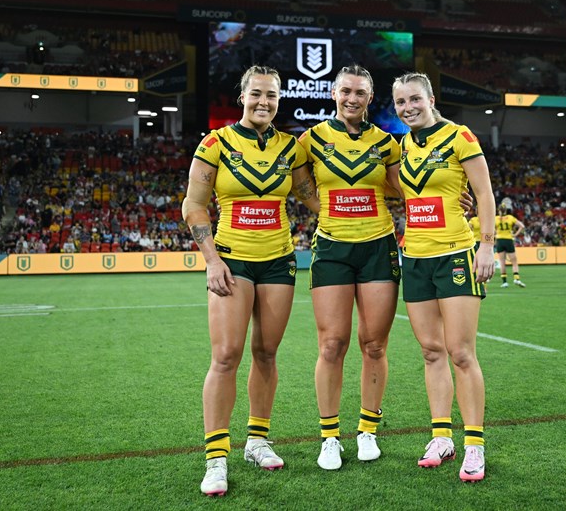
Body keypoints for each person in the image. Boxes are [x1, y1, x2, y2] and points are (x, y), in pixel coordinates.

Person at [182, 65, 317, 497]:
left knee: (266, 352)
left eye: (272, 95)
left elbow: (313, 197)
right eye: (256, 93)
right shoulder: (215, 143)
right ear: (242, 97)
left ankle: (257, 441)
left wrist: (403, 197)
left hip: (279, 261)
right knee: (226, 356)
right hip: (232, 261)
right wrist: (212, 260)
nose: (264, 102)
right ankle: (216, 458)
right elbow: (193, 205)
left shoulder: (291, 148)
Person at [296, 64, 402, 471]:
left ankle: (368, 430)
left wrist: (452, 196)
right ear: (333, 94)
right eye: (345, 91)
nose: (352, 98)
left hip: (378, 247)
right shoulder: (310, 140)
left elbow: (404, 187)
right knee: (331, 344)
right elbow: (300, 184)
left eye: (359, 92)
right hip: (332, 249)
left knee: (374, 344)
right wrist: (323, 211)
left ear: (370, 98)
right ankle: (329, 437)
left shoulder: (387, 143)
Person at [392, 72, 495, 483]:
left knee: (461, 352)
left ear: (431, 99)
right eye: (401, 102)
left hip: (455, 253)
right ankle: (441, 438)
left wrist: (486, 245)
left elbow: (484, 193)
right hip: (415, 258)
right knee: (431, 351)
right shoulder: (402, 145)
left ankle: (474, 445)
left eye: (415, 99)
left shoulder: (460, 136)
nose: (408, 108)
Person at [496, 203, 526, 288]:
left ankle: (504, 282)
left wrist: (495, 234)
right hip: (508, 240)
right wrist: (515, 234)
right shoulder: (510, 218)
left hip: (499, 240)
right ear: (506, 210)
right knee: (514, 261)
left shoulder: (496, 219)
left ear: (498, 210)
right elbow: (522, 226)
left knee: (502, 262)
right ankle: (516, 279)